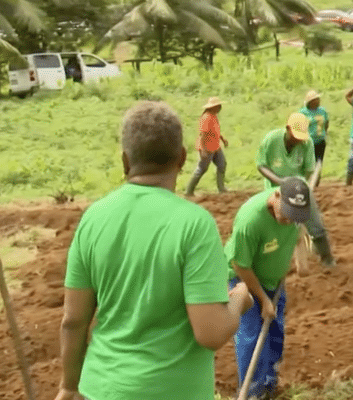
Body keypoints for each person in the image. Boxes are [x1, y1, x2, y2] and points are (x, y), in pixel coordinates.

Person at [55, 101, 253, 400]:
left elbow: (73, 320)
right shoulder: (195, 224)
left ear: (125, 161)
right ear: (182, 158)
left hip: (103, 389)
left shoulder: (93, 219)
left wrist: (69, 387)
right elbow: (210, 332)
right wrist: (239, 299)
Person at [226, 177, 311, 400]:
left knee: (275, 330)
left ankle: (269, 382)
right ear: (275, 196)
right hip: (245, 280)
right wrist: (263, 299)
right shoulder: (250, 220)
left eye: (294, 216)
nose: (288, 220)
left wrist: (300, 255)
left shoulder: (294, 213)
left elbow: (299, 233)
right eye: (285, 214)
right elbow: (240, 264)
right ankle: (252, 390)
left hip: (274, 280)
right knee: (251, 335)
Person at [256, 112, 335, 268]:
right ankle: (270, 262)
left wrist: (298, 190)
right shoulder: (271, 140)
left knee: (315, 223)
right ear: (287, 129)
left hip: (299, 186)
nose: (299, 140)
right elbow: (261, 165)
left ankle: (327, 258)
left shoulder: (307, 143)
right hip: (274, 187)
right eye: (295, 136)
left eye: (301, 137)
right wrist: (279, 181)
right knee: (273, 226)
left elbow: (308, 171)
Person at [186, 97, 229, 196]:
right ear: (213, 107)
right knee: (202, 169)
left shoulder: (214, 116)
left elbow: (216, 131)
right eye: (218, 106)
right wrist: (204, 150)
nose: (220, 108)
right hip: (207, 148)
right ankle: (189, 191)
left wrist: (222, 139)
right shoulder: (206, 117)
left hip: (216, 146)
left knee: (222, 165)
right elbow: (203, 135)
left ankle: (221, 189)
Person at [299, 89, 329, 186]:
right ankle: (304, 183)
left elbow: (326, 123)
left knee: (318, 164)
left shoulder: (322, 111)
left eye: (318, 99)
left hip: (320, 141)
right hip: (307, 142)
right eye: (316, 99)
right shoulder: (303, 112)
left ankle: (316, 185)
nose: (318, 101)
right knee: (307, 164)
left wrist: (324, 133)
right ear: (310, 102)